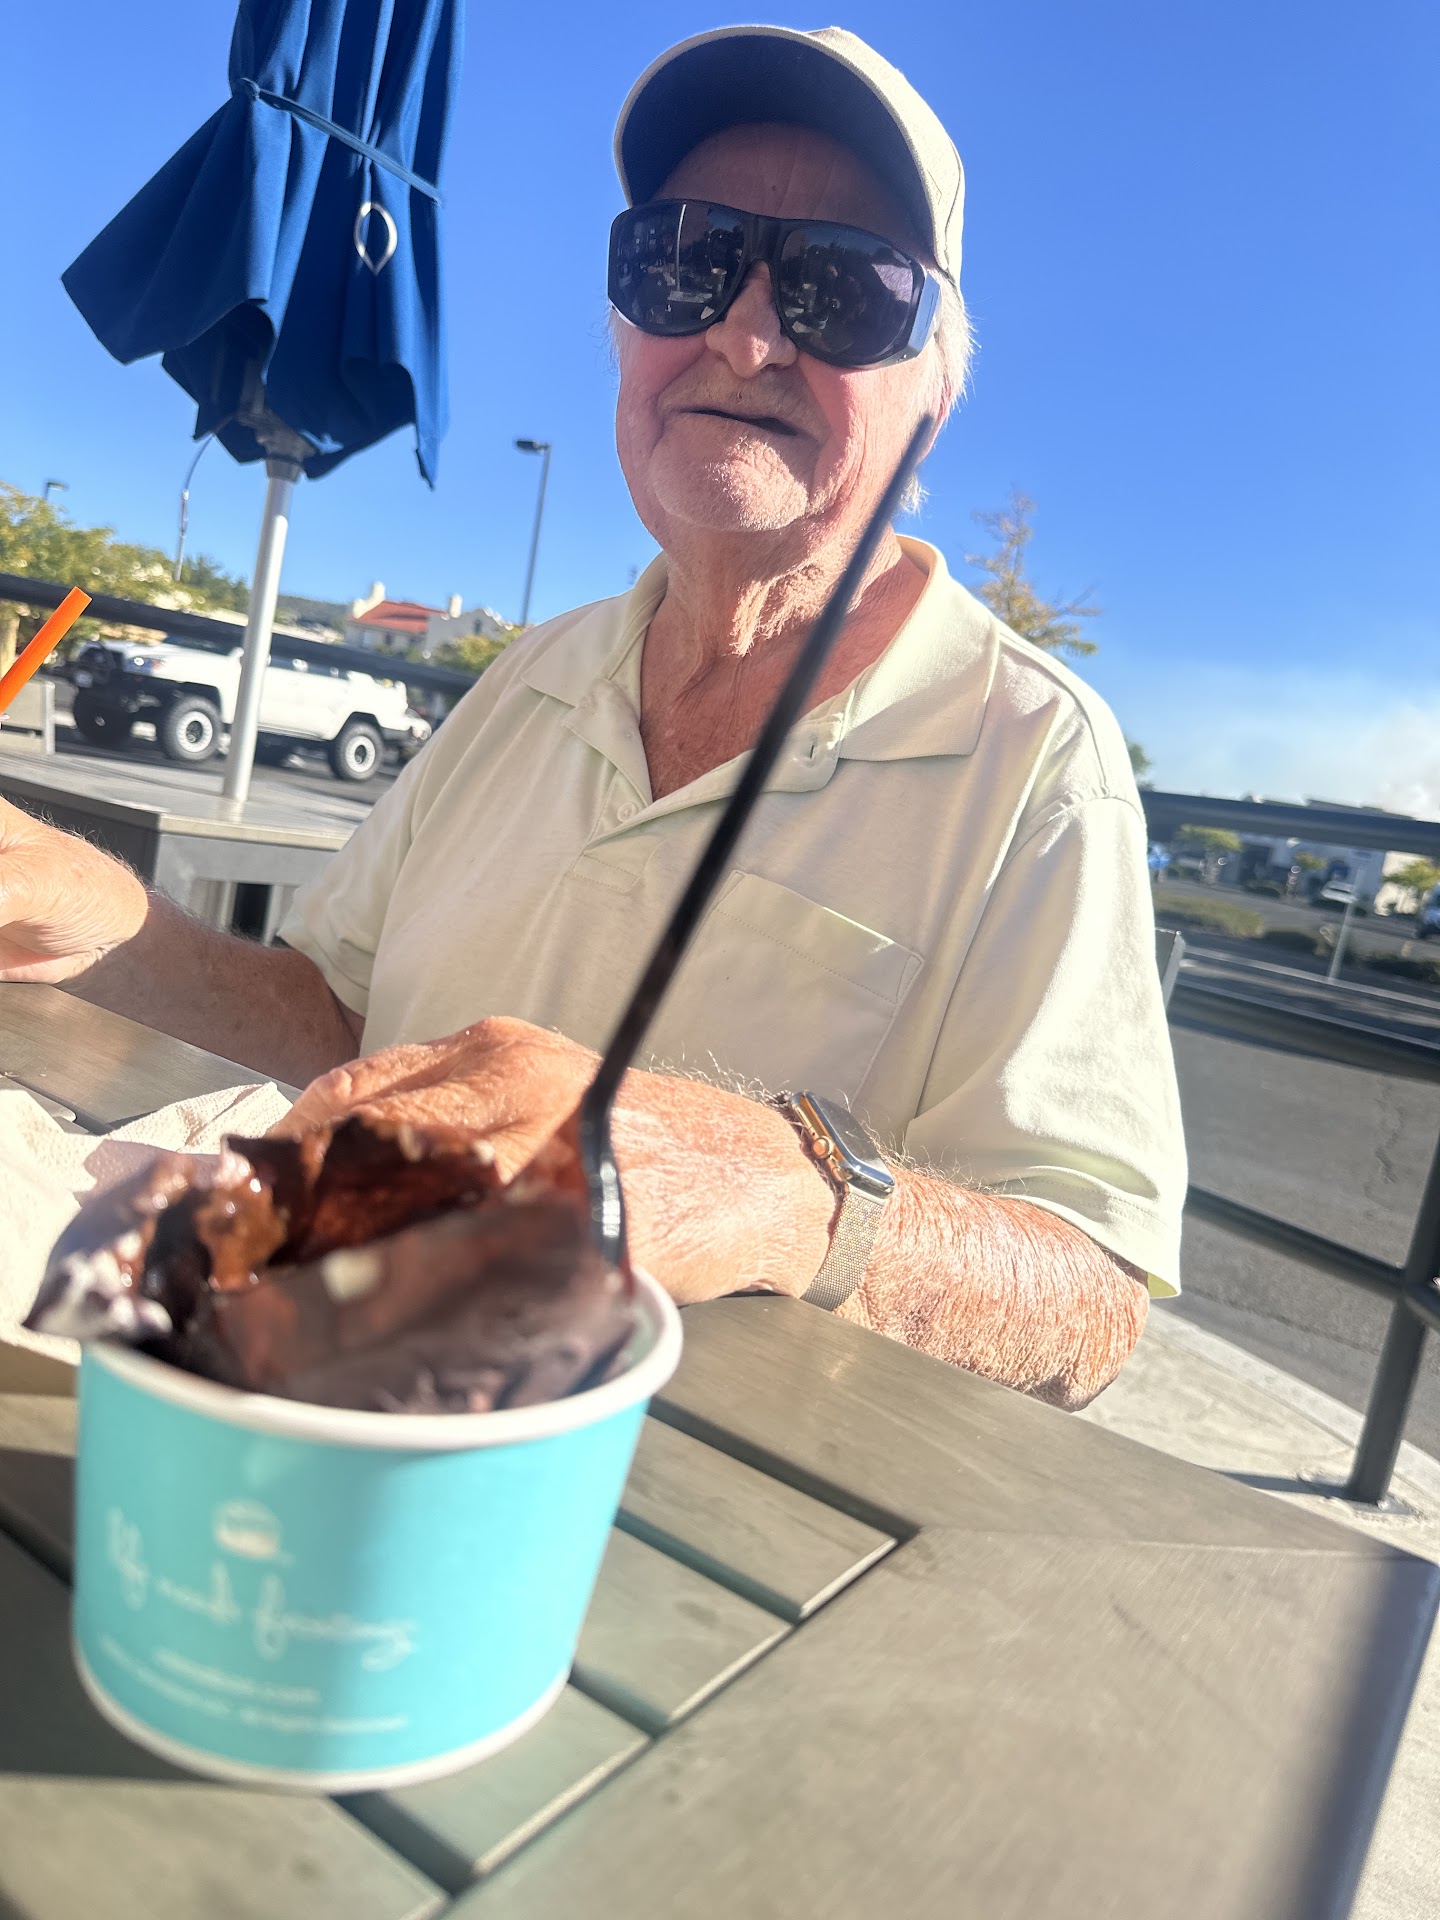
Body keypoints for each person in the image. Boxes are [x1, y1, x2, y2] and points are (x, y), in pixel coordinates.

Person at [0, 26, 1184, 1408]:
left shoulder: (1030, 752)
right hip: (316, 1401)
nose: (744, 333)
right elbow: (340, 1029)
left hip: (684, 1490)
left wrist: (778, 1186)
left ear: (934, 392)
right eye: (683, 258)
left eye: (843, 289)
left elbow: (1093, 1296)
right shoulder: (533, 675)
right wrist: (92, 916)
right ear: (625, 322)